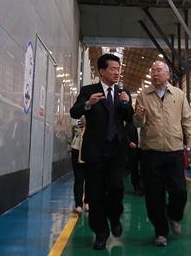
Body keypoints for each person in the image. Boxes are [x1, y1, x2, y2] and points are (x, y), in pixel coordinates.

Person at [70, 54, 133, 250]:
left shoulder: (123, 92)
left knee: (117, 188)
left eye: (118, 68)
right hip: (95, 151)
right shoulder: (88, 91)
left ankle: (114, 217)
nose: (117, 72)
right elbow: (74, 111)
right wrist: (88, 104)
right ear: (102, 71)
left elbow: (129, 118)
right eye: (113, 68)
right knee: (95, 193)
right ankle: (100, 233)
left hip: (117, 150)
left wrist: (126, 103)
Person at [134, 61, 191, 247]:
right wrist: (138, 116)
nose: (155, 73)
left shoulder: (179, 94)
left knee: (179, 190)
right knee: (154, 195)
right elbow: (137, 124)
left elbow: (187, 121)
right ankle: (161, 232)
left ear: (167, 74)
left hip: (174, 150)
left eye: (159, 70)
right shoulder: (143, 95)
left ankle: (174, 214)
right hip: (151, 152)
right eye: (152, 70)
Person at [68, 116, 89, 214]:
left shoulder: (94, 113)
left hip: (90, 149)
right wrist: (69, 147)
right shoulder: (76, 115)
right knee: (78, 178)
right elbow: (70, 132)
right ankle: (78, 205)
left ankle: (87, 202)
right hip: (76, 148)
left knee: (89, 178)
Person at [124, 121, 144, 196]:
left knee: (143, 169)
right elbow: (126, 135)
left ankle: (142, 187)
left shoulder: (145, 124)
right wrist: (129, 142)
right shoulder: (130, 125)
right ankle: (136, 186)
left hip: (143, 149)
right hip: (133, 150)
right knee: (134, 169)